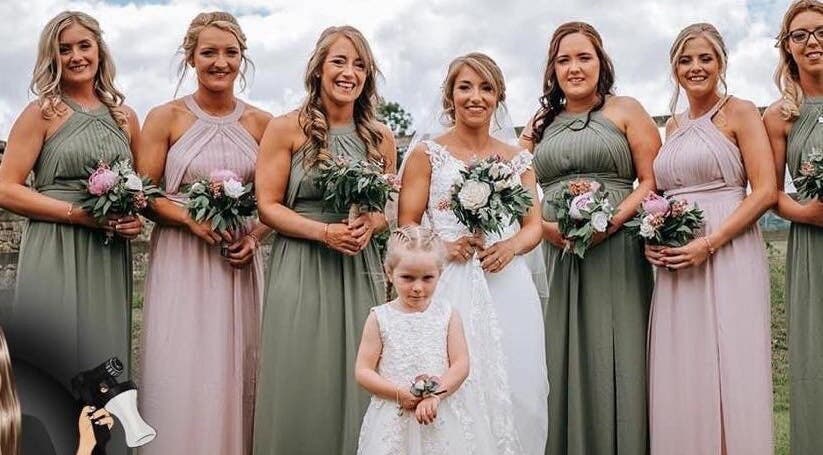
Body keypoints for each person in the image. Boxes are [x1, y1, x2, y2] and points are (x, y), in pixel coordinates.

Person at [0, 12, 140, 454]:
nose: (76, 56)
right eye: (65, 49)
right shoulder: (42, 112)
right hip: (55, 248)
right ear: (52, 57)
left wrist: (132, 218)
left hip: (105, 254)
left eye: (84, 45)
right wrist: (75, 214)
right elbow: (6, 188)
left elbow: (137, 188)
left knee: (103, 364)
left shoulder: (125, 116)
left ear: (100, 49)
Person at [253, 25, 396, 454]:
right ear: (318, 69)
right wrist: (323, 232)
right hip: (301, 265)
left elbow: (389, 211)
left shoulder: (381, 137)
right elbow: (268, 206)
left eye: (359, 65)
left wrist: (372, 223)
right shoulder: (285, 129)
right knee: (301, 373)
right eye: (339, 61)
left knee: (361, 370)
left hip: (360, 267)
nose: (348, 72)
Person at [519, 21, 660, 455]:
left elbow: (651, 181)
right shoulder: (540, 123)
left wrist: (609, 223)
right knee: (561, 353)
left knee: (618, 350)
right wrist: (545, 229)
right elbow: (518, 185)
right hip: (558, 251)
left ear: (601, 63)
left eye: (584, 58)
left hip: (617, 248)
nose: (574, 68)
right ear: (552, 69)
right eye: (564, 60)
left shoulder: (626, 110)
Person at [398, 52, 548, 453]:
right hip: (448, 286)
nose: (475, 97)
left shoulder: (517, 158)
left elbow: (533, 224)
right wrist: (443, 248)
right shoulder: (426, 154)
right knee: (451, 388)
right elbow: (408, 222)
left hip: (508, 285)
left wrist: (511, 246)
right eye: (465, 87)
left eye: (486, 88)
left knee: (518, 386)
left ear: (499, 97)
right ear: (450, 96)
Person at [136, 11, 271, 454]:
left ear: (242, 59)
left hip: (238, 262)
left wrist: (254, 238)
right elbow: (144, 193)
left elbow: (276, 201)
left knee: (240, 364)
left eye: (230, 53)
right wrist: (189, 219)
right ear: (191, 57)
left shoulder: (262, 124)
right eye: (208, 52)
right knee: (180, 362)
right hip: (182, 259)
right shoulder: (165, 118)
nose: (220, 62)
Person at [646, 23, 776, 454]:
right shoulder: (673, 126)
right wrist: (654, 232)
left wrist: (712, 241)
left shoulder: (740, 112)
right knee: (685, 363)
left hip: (728, 247)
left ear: (721, 62)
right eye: (685, 60)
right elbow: (662, 195)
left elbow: (764, 190)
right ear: (674, 68)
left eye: (705, 58)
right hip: (679, 257)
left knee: (731, 357)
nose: (695, 67)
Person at [355, 225, 475, 453]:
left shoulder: (448, 314)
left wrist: (436, 395)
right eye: (408, 278)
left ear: (440, 272)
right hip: (393, 416)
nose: (418, 288)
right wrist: (400, 394)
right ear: (390, 272)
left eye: (427, 278)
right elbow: (363, 371)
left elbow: (461, 364)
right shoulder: (380, 318)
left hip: (437, 415)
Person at [763, 1, 823, 453]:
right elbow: (769, 192)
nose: (812, 42)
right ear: (787, 48)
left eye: (819, 31)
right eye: (799, 35)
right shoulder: (780, 115)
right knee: (815, 355)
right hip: (812, 245)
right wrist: (807, 213)